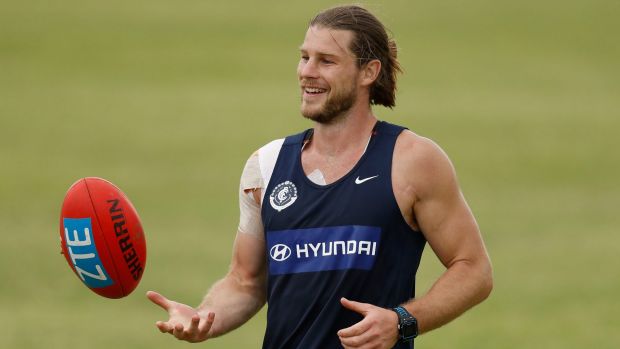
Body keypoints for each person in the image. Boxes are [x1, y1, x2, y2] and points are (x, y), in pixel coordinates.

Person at [147, 5, 493, 349]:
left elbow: (473, 270)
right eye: (304, 57)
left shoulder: (412, 160)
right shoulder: (265, 166)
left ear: (368, 72)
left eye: (326, 61)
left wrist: (402, 321)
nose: (307, 72)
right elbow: (246, 281)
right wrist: (202, 317)